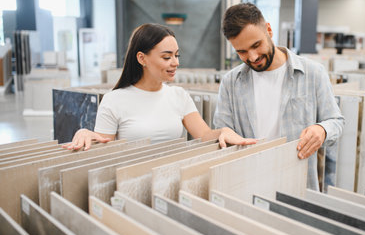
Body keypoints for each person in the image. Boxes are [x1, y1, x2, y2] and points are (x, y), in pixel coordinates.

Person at [64, 23, 256, 151]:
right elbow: (104, 149)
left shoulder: (179, 96)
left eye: (177, 55)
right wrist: (86, 133)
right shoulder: (114, 100)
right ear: (142, 58)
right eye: (167, 57)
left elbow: (205, 135)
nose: (175, 62)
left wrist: (223, 132)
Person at [214, 3, 344, 190]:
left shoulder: (313, 73)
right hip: (246, 185)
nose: (252, 57)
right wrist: (222, 134)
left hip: (297, 185)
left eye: (256, 45)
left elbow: (336, 121)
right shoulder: (230, 82)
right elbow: (222, 131)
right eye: (241, 52)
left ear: (268, 29)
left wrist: (322, 130)